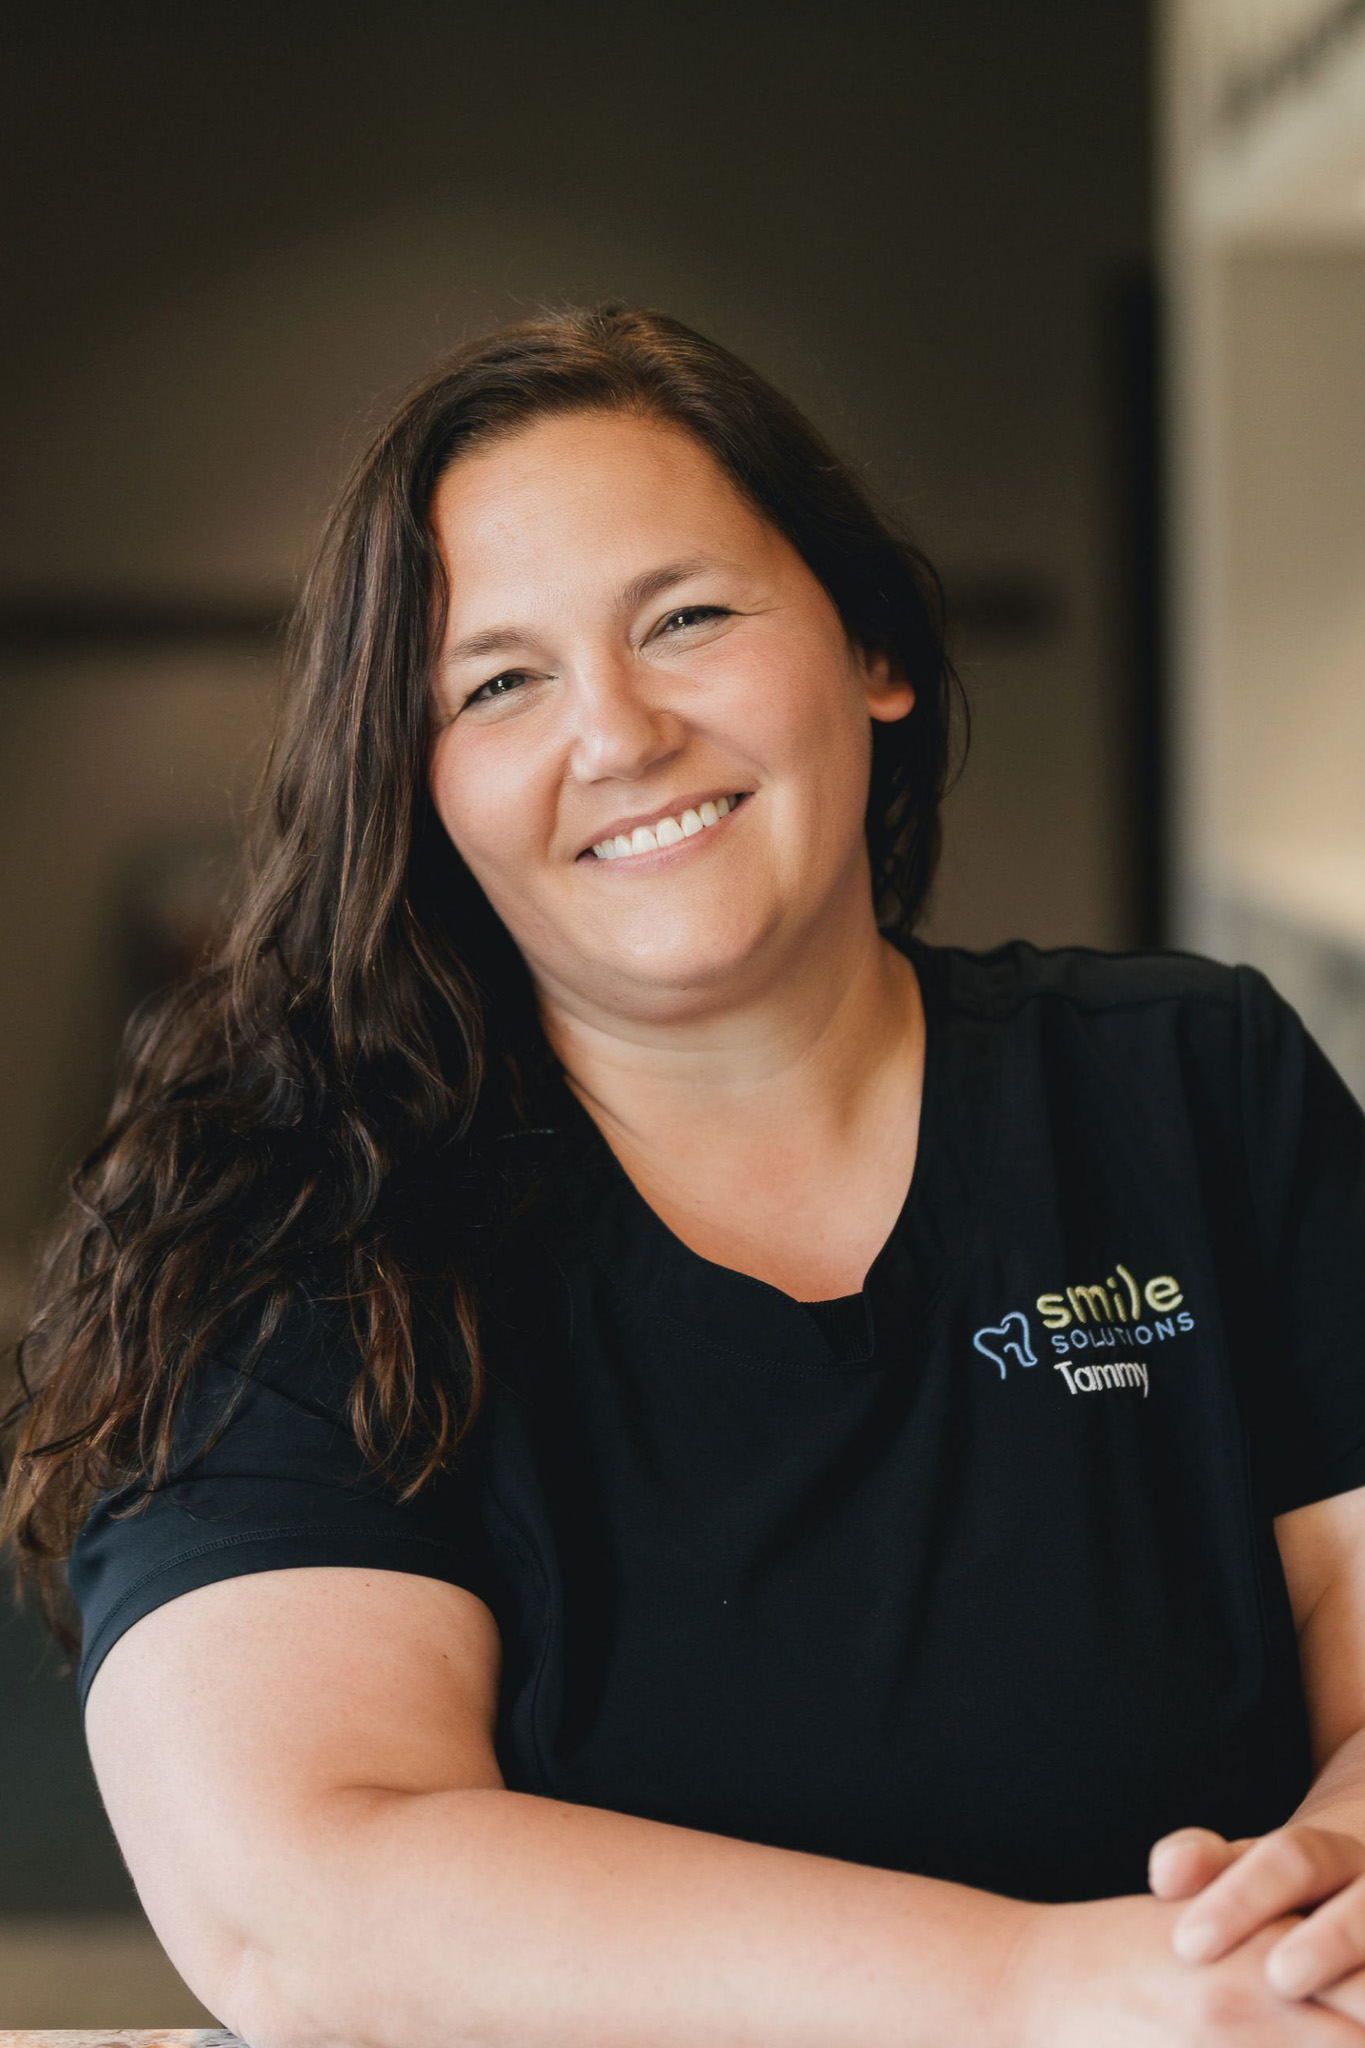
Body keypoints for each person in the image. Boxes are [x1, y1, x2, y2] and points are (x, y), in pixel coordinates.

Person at [4, 300, 1365, 2048]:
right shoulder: (291, 1219)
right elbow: (300, 1893)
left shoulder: (1194, 1084)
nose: (621, 733)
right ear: (419, 789)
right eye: (498, 683)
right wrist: (1043, 1994)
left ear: (872, 648)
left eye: (690, 619)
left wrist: (1317, 1891)